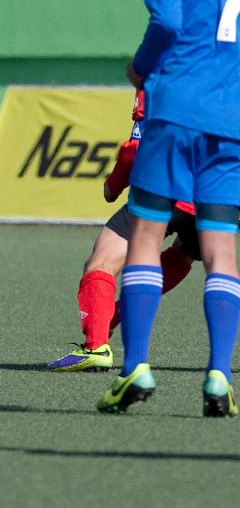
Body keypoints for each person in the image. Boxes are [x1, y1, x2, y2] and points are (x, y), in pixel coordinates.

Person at [99, 0, 240, 417]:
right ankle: (217, 375)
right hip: (231, 124)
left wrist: (139, 68)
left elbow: (167, 25)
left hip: (174, 112)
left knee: (148, 237)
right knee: (222, 249)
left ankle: (135, 367)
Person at [48, 91, 198, 372]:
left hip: (164, 190)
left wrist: (113, 185)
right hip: (219, 197)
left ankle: (95, 347)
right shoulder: (225, 74)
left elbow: (135, 149)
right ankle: (112, 316)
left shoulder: (158, 73)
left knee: (102, 262)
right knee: (185, 252)